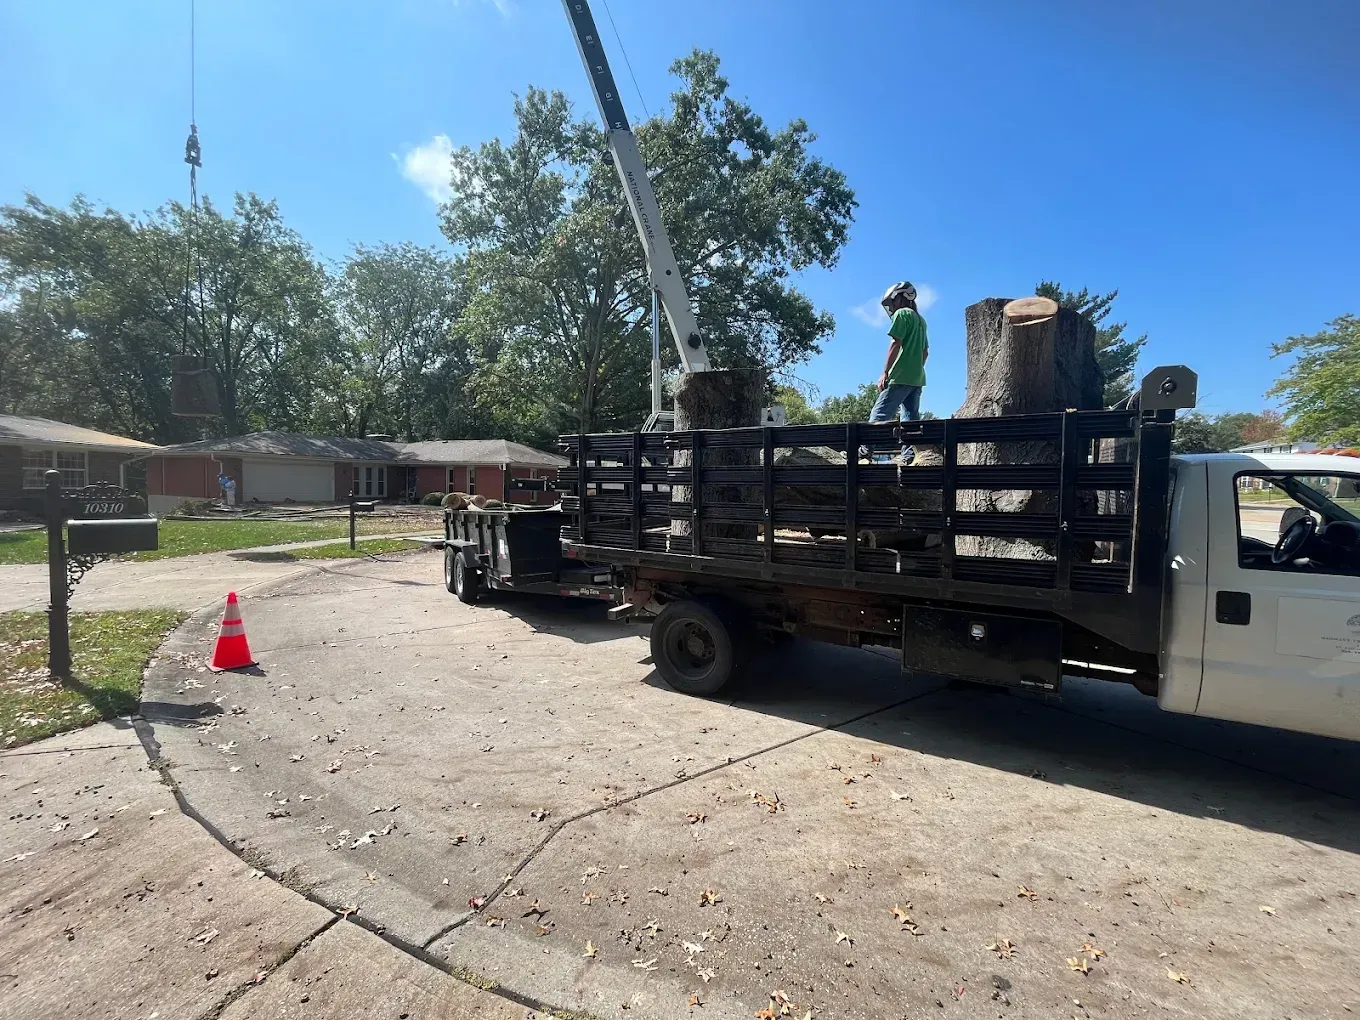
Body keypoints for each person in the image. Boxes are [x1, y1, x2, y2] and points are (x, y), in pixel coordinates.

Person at [868, 280, 928, 462]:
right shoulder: (920, 320)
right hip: (917, 379)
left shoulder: (902, 314)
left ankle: (864, 451)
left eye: (892, 302)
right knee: (910, 419)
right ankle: (909, 456)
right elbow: (925, 352)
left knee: (879, 414)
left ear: (898, 298)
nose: (891, 307)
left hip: (900, 376)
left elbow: (896, 342)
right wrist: (915, 368)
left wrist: (885, 372)